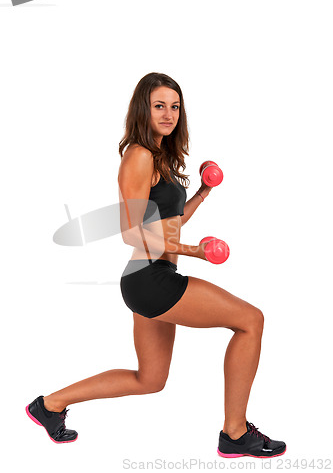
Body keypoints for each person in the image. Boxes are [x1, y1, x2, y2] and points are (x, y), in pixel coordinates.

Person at [25, 72, 286, 458]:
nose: (168, 114)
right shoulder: (139, 154)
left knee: (149, 379)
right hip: (149, 277)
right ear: (142, 109)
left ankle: (48, 406)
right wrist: (195, 251)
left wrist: (203, 191)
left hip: (150, 277)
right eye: (159, 105)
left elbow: (171, 221)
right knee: (251, 320)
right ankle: (234, 433)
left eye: (175, 106)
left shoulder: (159, 156)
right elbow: (131, 233)